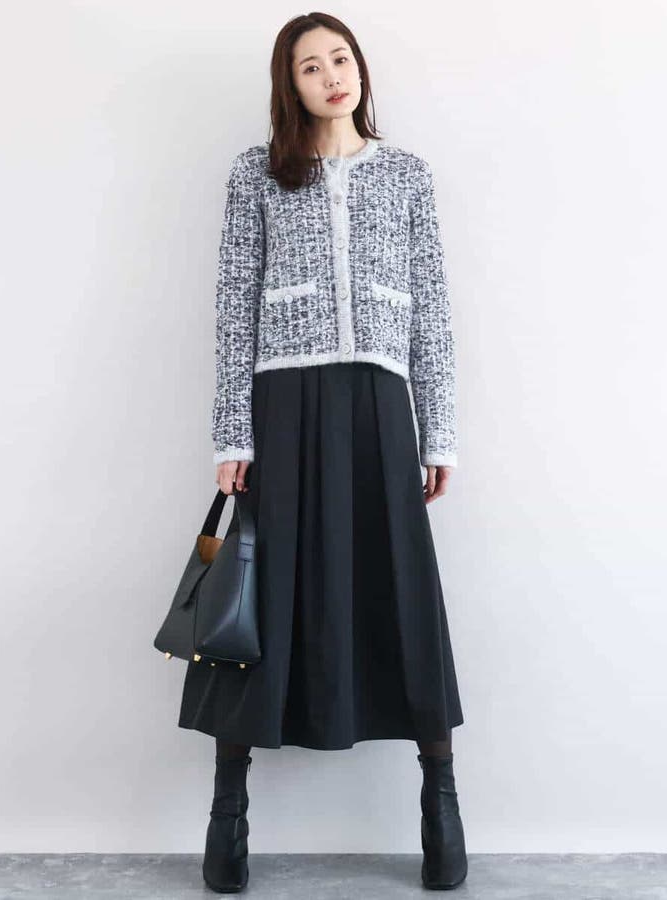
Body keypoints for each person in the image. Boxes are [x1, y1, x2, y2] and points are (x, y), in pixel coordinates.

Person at [178, 12, 468, 893]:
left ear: (360, 69)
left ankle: (441, 800)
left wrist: (439, 429)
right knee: (259, 600)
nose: (332, 75)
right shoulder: (257, 173)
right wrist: (232, 432)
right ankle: (228, 813)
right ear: (290, 85)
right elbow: (234, 304)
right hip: (284, 403)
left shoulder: (407, 175)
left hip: (379, 402)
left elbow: (432, 309)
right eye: (311, 66)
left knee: (402, 591)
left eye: (341, 59)